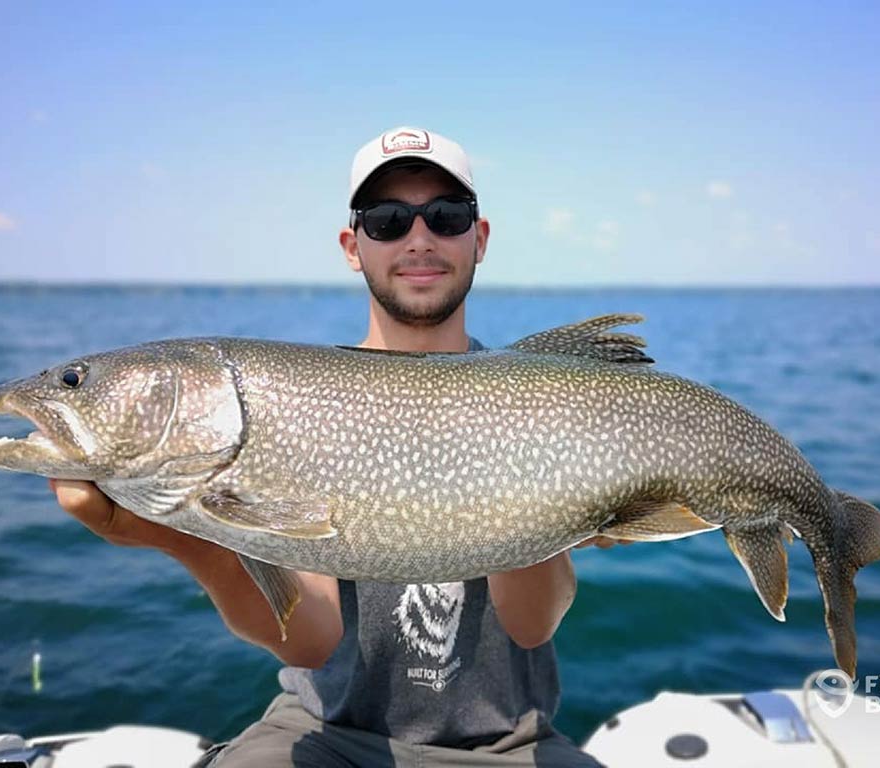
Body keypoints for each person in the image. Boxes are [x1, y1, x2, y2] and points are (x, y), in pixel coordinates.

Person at [51, 127, 612, 767]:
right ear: (353, 246)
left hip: (513, 741)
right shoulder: (297, 402)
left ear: (478, 239)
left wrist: (556, 505)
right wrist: (183, 535)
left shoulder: (536, 392)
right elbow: (311, 641)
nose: (419, 238)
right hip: (327, 731)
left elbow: (533, 625)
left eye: (447, 216)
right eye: (388, 220)